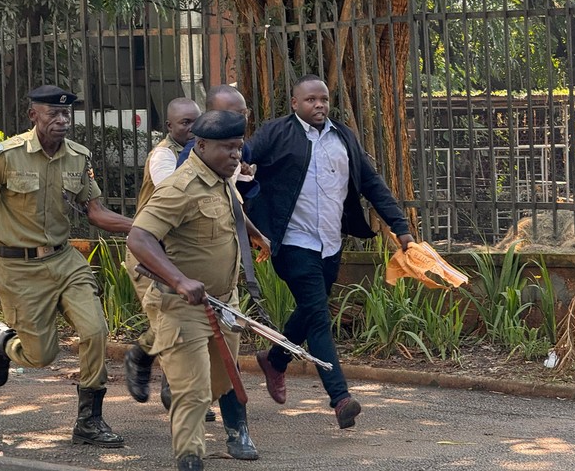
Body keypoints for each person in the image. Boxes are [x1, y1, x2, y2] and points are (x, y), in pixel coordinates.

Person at [0, 85, 135, 448]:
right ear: (33, 115)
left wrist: (141, 226)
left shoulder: (79, 158)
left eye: (66, 113)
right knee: (40, 356)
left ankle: (89, 422)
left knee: (95, 331)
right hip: (19, 269)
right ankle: (2, 340)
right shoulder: (7, 156)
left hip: (64, 261)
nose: (62, 120)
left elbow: (96, 212)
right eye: (53, 113)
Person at [246, 74, 415, 430]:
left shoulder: (343, 137)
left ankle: (275, 360)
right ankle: (340, 399)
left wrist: (400, 227)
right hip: (292, 243)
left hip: (330, 245)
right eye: (310, 100)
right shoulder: (276, 133)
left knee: (310, 312)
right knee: (319, 316)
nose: (319, 105)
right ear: (295, 103)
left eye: (323, 99)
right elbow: (239, 159)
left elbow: (371, 183)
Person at [127, 110, 271, 471]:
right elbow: (139, 237)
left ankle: (149, 350)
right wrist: (179, 280)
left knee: (218, 382)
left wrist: (255, 235)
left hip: (223, 303)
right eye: (228, 148)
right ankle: (190, 459)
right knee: (192, 393)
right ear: (202, 146)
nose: (236, 155)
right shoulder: (181, 187)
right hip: (183, 306)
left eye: (238, 147)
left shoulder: (220, 176)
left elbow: (231, 210)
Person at [124, 98, 212, 418]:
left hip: (179, 251)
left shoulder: (203, 152)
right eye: (185, 123)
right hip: (149, 251)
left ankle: (143, 356)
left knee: (183, 322)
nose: (192, 129)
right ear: (169, 126)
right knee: (167, 321)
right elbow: (175, 193)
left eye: (196, 122)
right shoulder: (163, 155)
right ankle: (175, 392)